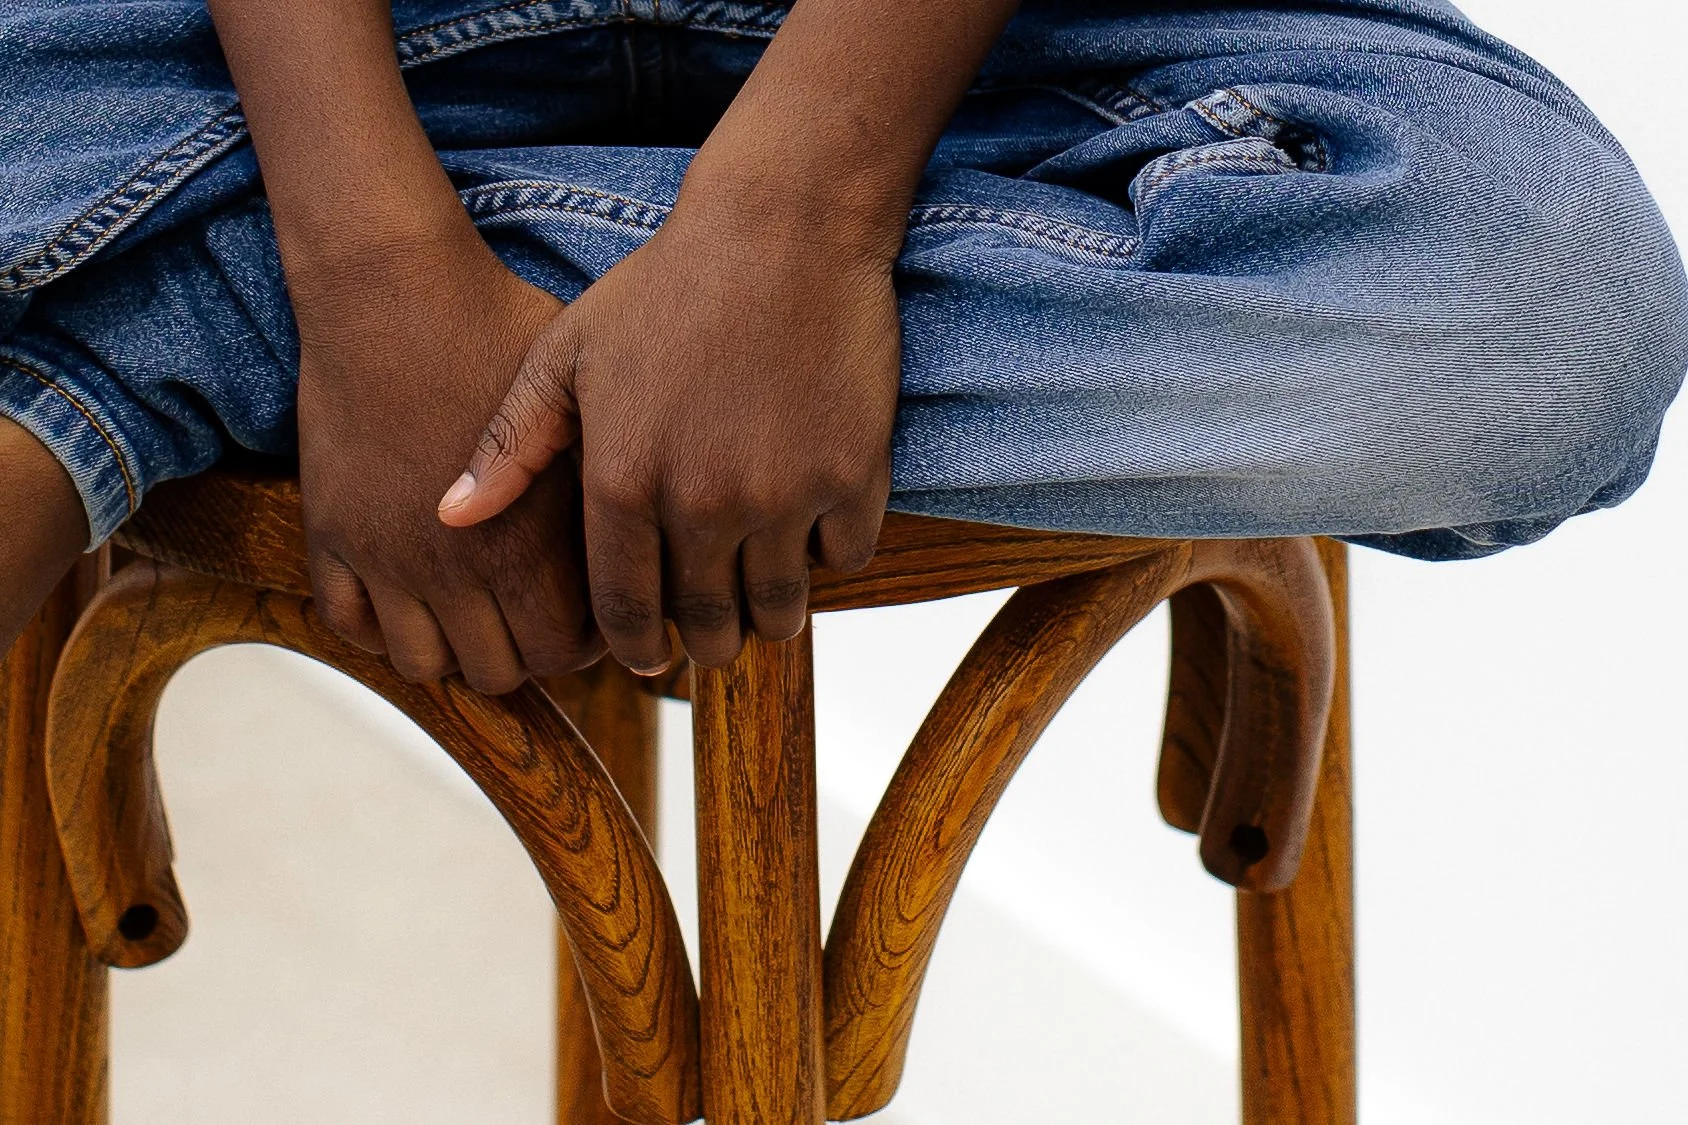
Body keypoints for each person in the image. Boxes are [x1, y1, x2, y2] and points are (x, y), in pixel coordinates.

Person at [1, 0, 1683, 691]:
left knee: (1538, 324)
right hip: (265, 43)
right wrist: (370, 271)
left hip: (1008, 43)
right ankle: (266, 285)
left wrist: (800, 216)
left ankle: (179, 312)